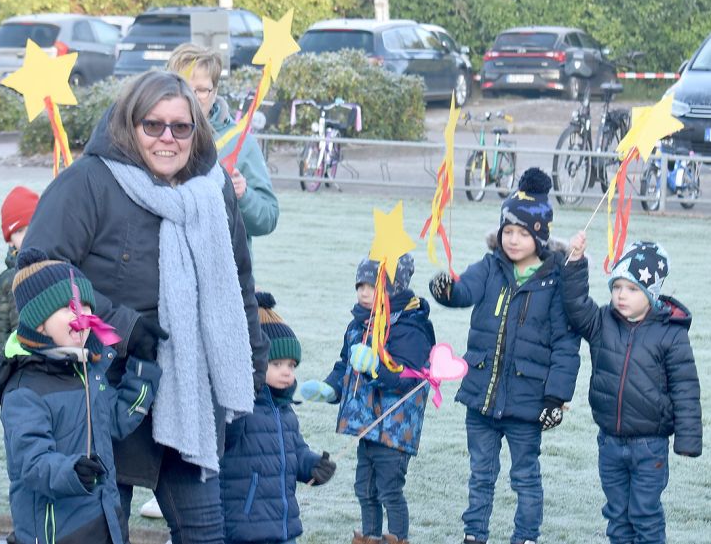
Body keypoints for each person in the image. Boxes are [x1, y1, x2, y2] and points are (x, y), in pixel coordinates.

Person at [20, 70, 269, 544]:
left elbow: (239, 283)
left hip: (190, 389)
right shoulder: (88, 182)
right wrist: (121, 326)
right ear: (128, 125)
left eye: (181, 126)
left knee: (205, 532)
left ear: (197, 131)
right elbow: (38, 271)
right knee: (101, 530)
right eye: (153, 125)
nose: (167, 138)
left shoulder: (213, 190)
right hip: (101, 386)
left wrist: (252, 375)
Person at [428, 168, 581, 544]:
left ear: (540, 236)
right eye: (507, 231)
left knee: (525, 477)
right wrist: (445, 289)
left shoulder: (555, 280)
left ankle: (526, 536)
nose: (512, 240)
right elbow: (463, 291)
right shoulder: (490, 266)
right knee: (481, 473)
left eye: (522, 233)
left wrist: (556, 398)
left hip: (527, 404)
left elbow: (566, 344)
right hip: (481, 398)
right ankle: (474, 534)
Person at [0, 252, 162, 544]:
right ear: (39, 323)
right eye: (69, 308)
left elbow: (117, 420)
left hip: (105, 523)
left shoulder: (89, 372)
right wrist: (72, 472)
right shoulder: (24, 390)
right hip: (56, 533)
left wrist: (143, 368)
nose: (81, 315)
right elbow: (31, 464)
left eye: (85, 305)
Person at [563, 235, 701, 543]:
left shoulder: (671, 335)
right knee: (617, 514)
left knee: (644, 514)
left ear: (650, 294)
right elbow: (575, 306)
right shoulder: (602, 322)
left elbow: (685, 388)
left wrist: (688, 438)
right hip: (609, 443)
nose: (621, 295)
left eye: (631, 288)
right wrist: (575, 262)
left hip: (649, 446)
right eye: (616, 287)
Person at [301, 255, 435, 544]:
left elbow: (408, 379)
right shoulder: (358, 324)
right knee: (365, 488)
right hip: (366, 427)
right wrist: (330, 388)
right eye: (360, 285)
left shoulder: (410, 326)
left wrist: (376, 367)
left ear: (394, 288)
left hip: (394, 427)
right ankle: (370, 536)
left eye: (372, 286)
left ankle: (398, 537)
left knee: (389, 489)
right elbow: (345, 365)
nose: (363, 292)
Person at [221, 292, 335, 544]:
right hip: (245, 530)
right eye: (277, 364)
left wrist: (312, 466)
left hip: (283, 529)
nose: (287, 372)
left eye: (291, 365)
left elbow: (294, 451)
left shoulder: (284, 411)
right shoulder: (238, 407)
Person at [166, 43, 279, 250]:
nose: (192, 97)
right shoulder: (154, 138)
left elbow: (268, 218)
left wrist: (243, 195)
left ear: (215, 90)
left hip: (227, 272)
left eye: (202, 90)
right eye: (184, 88)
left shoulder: (240, 142)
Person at [0, 186, 39, 359]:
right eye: (19, 231)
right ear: (10, 240)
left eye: (32, 227)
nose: (27, 236)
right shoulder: (6, 280)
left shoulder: (59, 269)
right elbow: (0, 334)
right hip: (19, 363)